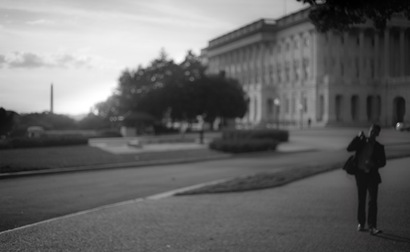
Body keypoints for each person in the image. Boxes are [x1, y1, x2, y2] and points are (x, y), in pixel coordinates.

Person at [347, 124, 386, 235]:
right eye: (371, 130)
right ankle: (361, 223)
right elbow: (349, 148)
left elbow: (383, 162)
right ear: (369, 131)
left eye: (375, 132)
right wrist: (357, 137)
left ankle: (372, 226)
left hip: (372, 175)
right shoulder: (361, 142)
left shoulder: (379, 147)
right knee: (361, 199)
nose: (372, 133)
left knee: (373, 201)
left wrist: (373, 164)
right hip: (360, 174)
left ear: (378, 134)